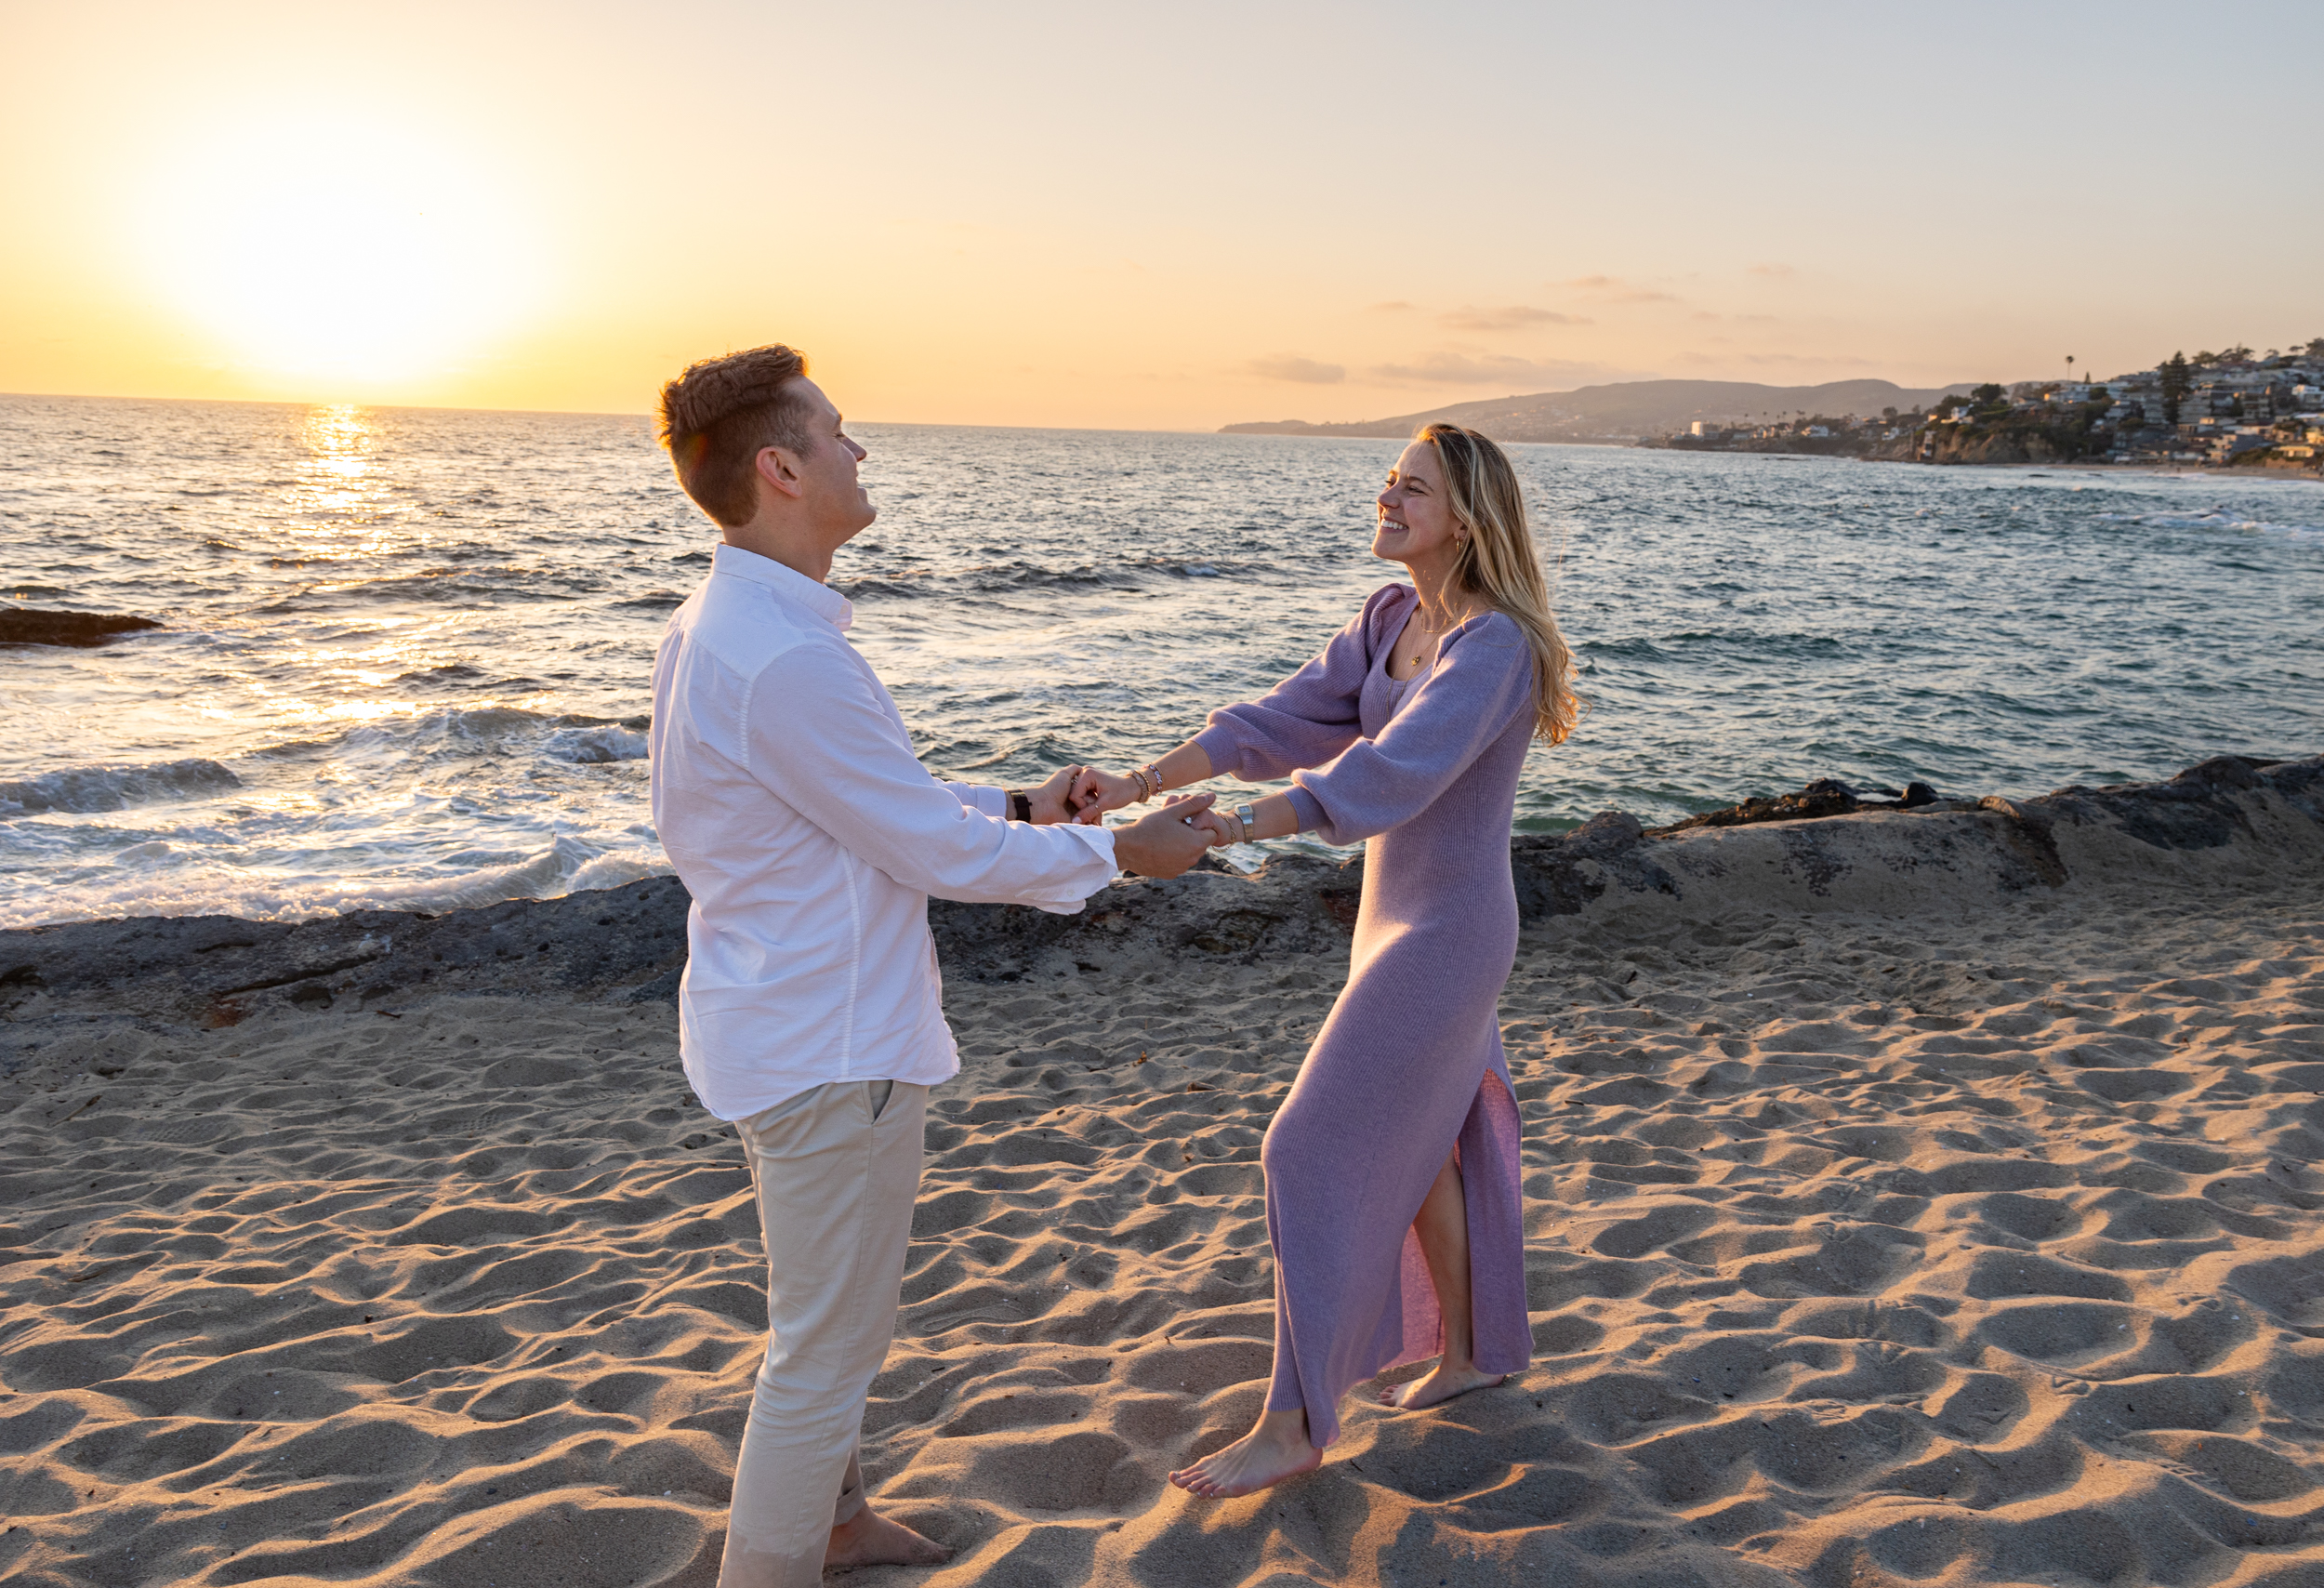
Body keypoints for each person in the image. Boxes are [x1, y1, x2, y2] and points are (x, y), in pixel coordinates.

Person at [646, 344, 1217, 1586]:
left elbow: (872, 801)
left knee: (824, 1323)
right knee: (826, 1350)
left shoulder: (724, 623)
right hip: (826, 1041)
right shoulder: (784, 655)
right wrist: (1118, 851)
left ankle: (839, 1527)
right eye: (840, 433)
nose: (863, 450)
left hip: (774, 1016)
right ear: (782, 467)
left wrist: (1023, 801)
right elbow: (917, 843)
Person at [1071, 423, 1579, 1497]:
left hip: (1448, 933)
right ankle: (1474, 1357)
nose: (1388, 498)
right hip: (1388, 919)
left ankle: (1296, 1419)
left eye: (1413, 488)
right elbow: (1286, 719)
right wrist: (1138, 783)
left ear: (1469, 517)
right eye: (1389, 480)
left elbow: (1393, 775)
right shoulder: (1396, 614)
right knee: (1432, 1147)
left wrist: (1233, 831)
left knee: (1303, 1146)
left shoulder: (1491, 646)